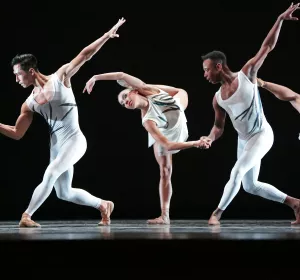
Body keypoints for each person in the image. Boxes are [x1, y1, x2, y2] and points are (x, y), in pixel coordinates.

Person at [0, 17, 126, 227]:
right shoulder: (29, 103)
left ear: (31, 71)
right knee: (64, 192)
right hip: (57, 147)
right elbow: (16, 132)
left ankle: (26, 216)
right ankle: (103, 205)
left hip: (75, 141)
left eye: (18, 74)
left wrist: (107, 35)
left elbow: (85, 55)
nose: (16, 79)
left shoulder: (60, 78)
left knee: (50, 172)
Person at [199, 3, 300, 225]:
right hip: (243, 140)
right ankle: (296, 204)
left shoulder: (247, 75)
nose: (204, 74)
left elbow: (267, 47)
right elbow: (218, 127)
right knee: (250, 186)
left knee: (237, 170)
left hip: (262, 134)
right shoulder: (218, 98)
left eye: (206, 70)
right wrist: (209, 137)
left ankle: (217, 213)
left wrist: (280, 20)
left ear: (218, 66)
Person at [83, 72, 208, 224]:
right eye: (122, 104)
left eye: (124, 97)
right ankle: (164, 216)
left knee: (179, 91)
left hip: (176, 110)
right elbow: (168, 145)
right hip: (167, 133)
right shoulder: (147, 121)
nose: (124, 103)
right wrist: (195, 143)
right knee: (165, 170)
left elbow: (121, 75)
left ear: (134, 91)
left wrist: (95, 77)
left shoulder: (148, 90)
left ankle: (169, 108)